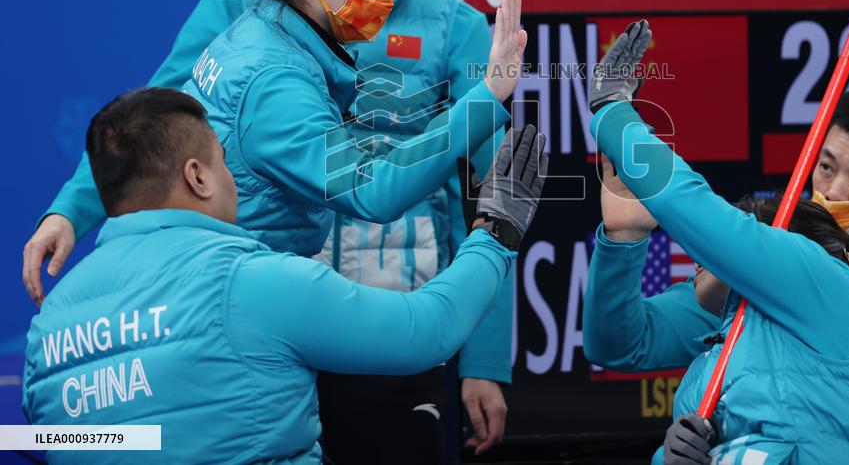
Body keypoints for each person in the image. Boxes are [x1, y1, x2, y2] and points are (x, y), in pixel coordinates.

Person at [22, 0, 515, 457]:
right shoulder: (248, 12)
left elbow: (489, 186)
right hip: (257, 310)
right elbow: (153, 128)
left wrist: (484, 357)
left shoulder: (452, 21)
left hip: (382, 318)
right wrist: (71, 208)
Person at [21, 87, 547, 465]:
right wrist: (495, 233)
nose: (234, 178)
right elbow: (426, 329)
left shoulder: (48, 328)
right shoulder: (250, 282)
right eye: (224, 161)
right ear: (197, 176)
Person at [584, 64, 849, 459]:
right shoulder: (777, 258)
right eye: (826, 167)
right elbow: (622, 345)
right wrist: (624, 238)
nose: (833, 191)